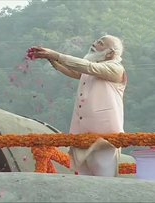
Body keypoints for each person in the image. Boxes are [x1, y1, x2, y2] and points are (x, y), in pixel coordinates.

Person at [31, 35, 127, 177]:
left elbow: (88, 67)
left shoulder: (115, 69)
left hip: (106, 139)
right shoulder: (92, 69)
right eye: (97, 41)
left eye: (100, 43)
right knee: (83, 181)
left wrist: (56, 55)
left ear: (110, 53)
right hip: (81, 137)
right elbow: (76, 71)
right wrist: (51, 59)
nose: (94, 44)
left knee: (104, 183)